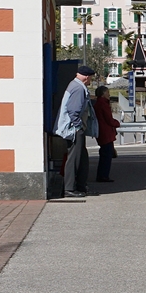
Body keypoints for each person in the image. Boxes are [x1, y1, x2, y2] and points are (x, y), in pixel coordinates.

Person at [57, 65, 95, 197]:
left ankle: (79, 186)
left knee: (81, 157)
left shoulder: (74, 85)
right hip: (74, 129)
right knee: (74, 158)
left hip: (73, 128)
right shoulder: (78, 88)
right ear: (86, 77)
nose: (91, 80)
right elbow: (73, 110)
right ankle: (69, 188)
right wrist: (78, 126)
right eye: (90, 78)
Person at [92, 85, 121, 183]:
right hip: (106, 132)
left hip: (102, 132)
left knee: (105, 154)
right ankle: (103, 176)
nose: (109, 94)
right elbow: (109, 119)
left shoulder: (98, 103)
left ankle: (102, 175)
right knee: (107, 155)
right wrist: (117, 123)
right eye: (107, 92)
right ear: (103, 94)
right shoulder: (103, 104)